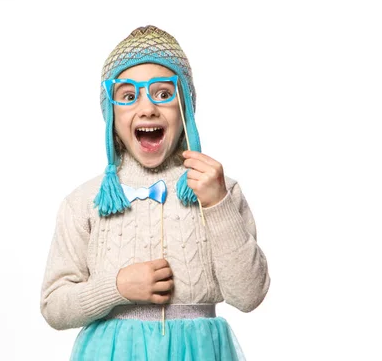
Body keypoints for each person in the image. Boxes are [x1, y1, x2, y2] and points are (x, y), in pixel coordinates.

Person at [40, 25, 270, 360]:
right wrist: (116, 287)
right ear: (111, 114)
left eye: (162, 94)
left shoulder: (220, 190)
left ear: (185, 107)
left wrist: (217, 205)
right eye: (129, 96)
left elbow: (249, 296)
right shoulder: (84, 202)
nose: (147, 109)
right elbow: (53, 306)